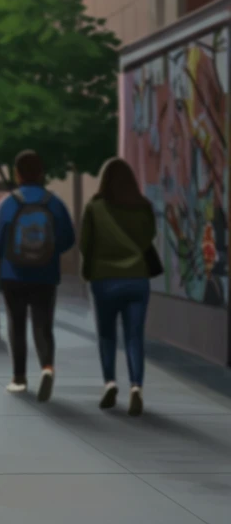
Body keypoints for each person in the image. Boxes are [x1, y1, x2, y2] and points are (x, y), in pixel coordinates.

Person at [0, 149, 76, 401]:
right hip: (46, 275)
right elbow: (69, 238)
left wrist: (6, 256)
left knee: (16, 325)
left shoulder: (9, 203)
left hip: (13, 274)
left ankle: (19, 378)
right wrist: (49, 252)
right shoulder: (54, 202)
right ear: (41, 173)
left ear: (17, 174)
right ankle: (47, 367)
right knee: (43, 324)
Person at [80, 157, 157, 415]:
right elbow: (148, 239)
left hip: (105, 279)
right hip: (137, 278)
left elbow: (85, 244)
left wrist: (89, 269)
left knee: (107, 335)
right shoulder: (143, 207)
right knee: (135, 336)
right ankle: (136, 386)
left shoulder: (95, 207)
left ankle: (110, 383)